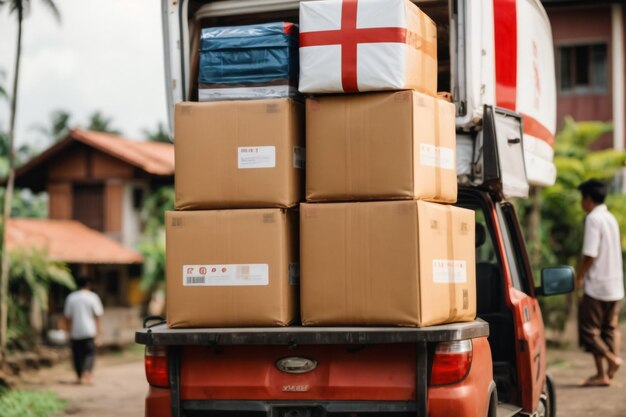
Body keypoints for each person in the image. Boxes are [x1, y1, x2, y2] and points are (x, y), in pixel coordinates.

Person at [576, 179, 624, 387]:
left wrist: (578, 276)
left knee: (589, 330)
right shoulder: (610, 217)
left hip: (597, 285)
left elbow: (590, 254)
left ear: (588, 199)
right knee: (609, 329)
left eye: (582, 199)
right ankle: (604, 374)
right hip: (615, 285)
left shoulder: (593, 219)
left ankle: (612, 361)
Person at [64, 276, 104, 385]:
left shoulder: (71, 297)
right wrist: (98, 333)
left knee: (77, 355)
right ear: (88, 285)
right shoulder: (93, 297)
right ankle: (86, 373)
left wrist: (68, 332)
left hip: (75, 332)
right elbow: (98, 316)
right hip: (89, 331)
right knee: (89, 354)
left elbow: (67, 317)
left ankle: (79, 375)